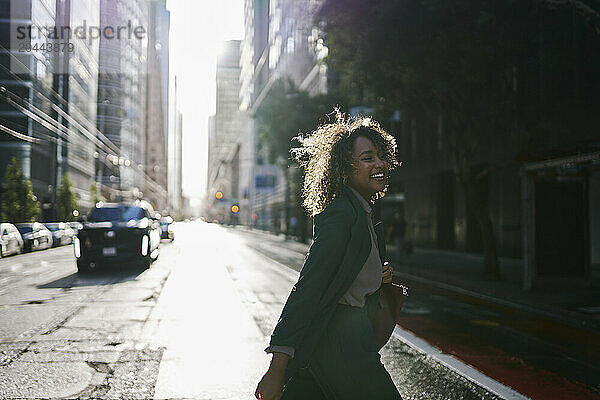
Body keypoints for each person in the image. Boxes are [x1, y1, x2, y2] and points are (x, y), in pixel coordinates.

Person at [254, 112, 403, 399]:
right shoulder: (342, 214)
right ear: (345, 170)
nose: (379, 163)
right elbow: (308, 288)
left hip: (343, 341)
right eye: (367, 157)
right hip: (342, 343)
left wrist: (377, 273)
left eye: (381, 156)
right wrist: (277, 367)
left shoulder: (361, 212)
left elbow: (350, 273)